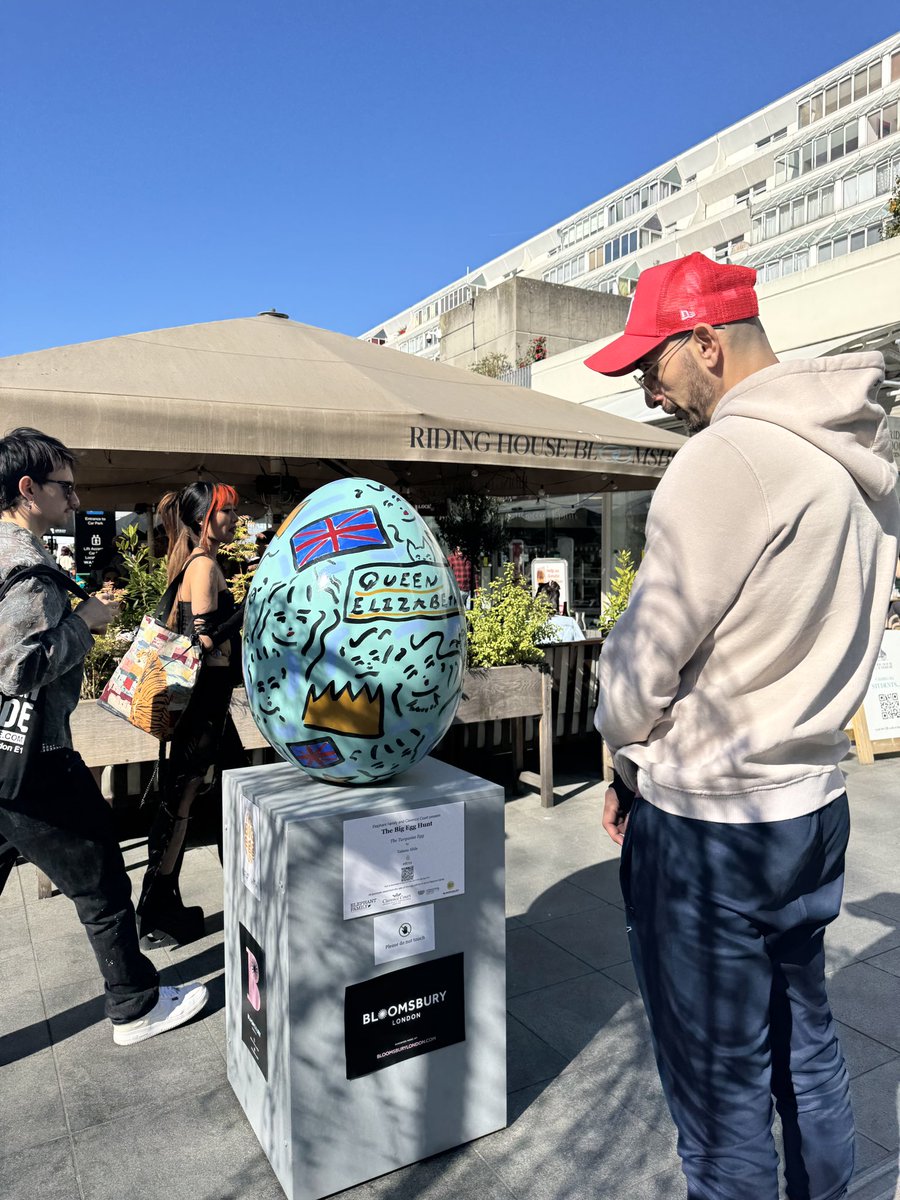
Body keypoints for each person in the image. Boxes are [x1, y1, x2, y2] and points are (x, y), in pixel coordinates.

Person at [585, 254, 900, 1199]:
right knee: (807, 1056)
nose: (646, 383)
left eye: (654, 361)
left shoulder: (722, 460)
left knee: (719, 1104)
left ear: (709, 347)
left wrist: (624, 751)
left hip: (709, 824)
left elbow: (639, 675)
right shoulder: (861, 468)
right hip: (810, 805)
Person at [0, 427, 208, 1044]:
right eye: (65, 486)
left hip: (5, 758)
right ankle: (135, 1005)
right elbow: (18, 668)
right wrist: (86, 622)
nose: (75, 497)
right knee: (101, 880)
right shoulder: (26, 567)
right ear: (27, 488)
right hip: (33, 757)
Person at [136, 480, 244, 949]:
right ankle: (157, 906)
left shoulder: (198, 561)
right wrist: (247, 609)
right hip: (204, 697)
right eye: (226, 511)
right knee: (184, 794)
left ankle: (163, 902)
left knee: (195, 791)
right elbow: (203, 637)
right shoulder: (202, 565)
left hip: (206, 697)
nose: (234, 518)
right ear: (205, 519)